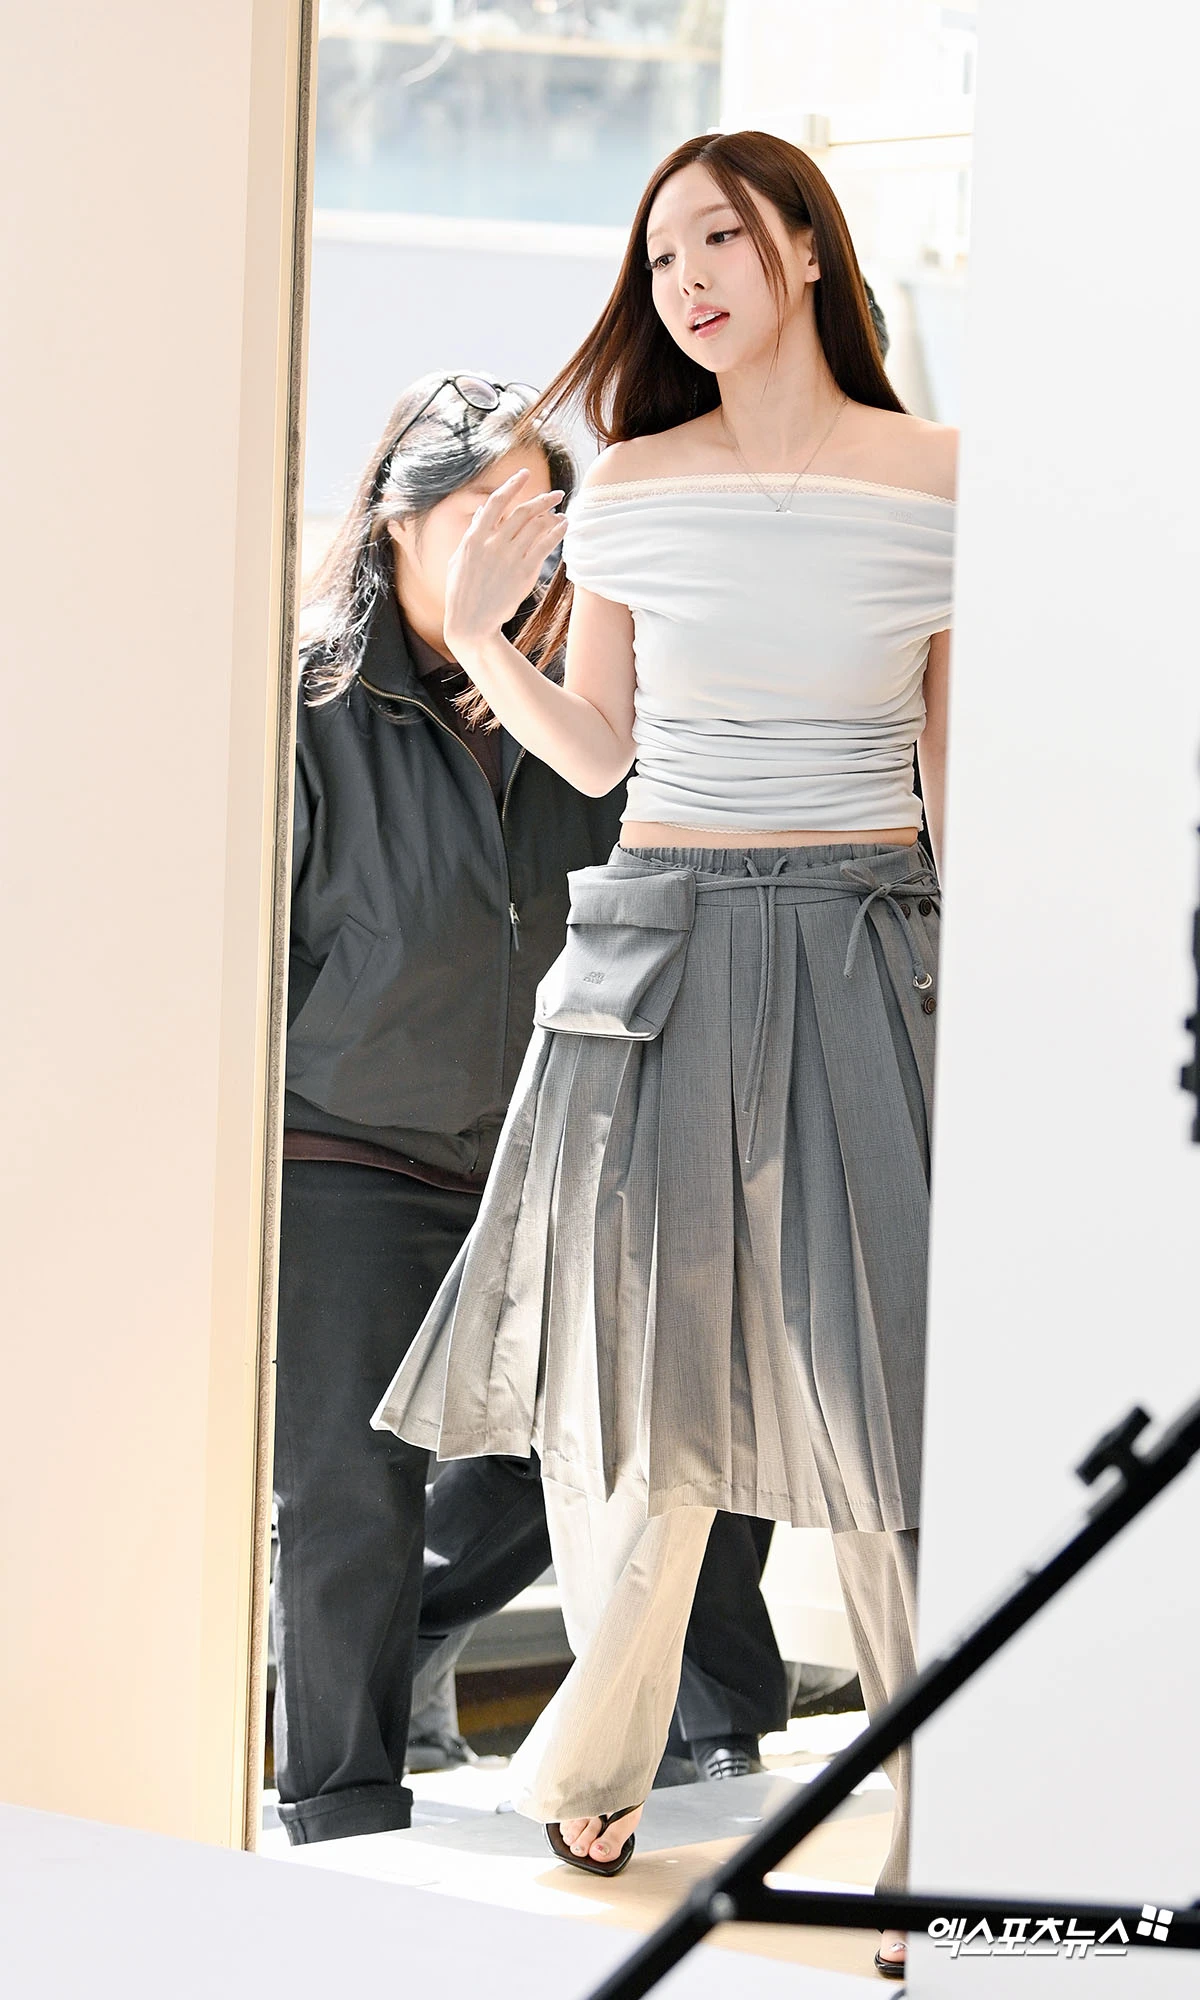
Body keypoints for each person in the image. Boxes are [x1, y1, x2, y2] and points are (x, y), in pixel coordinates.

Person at [373, 131, 954, 1982]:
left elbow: (960, 787)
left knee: (899, 1406)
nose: (685, 278)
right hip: (661, 945)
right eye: (661, 254)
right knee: (644, 1391)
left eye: (718, 236)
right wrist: (486, 637)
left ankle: (946, 1818)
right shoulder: (629, 480)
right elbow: (605, 752)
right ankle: (595, 1760)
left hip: (868, 936)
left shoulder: (948, 482)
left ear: (805, 245)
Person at [273, 369, 793, 1848]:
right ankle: (339, 1807)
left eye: (545, 512)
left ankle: (712, 1750)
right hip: (350, 1146)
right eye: (488, 510)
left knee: (667, 1442)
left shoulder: (585, 697)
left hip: (559, 1145)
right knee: (349, 1489)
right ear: (400, 521)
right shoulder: (309, 702)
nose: (527, 542)